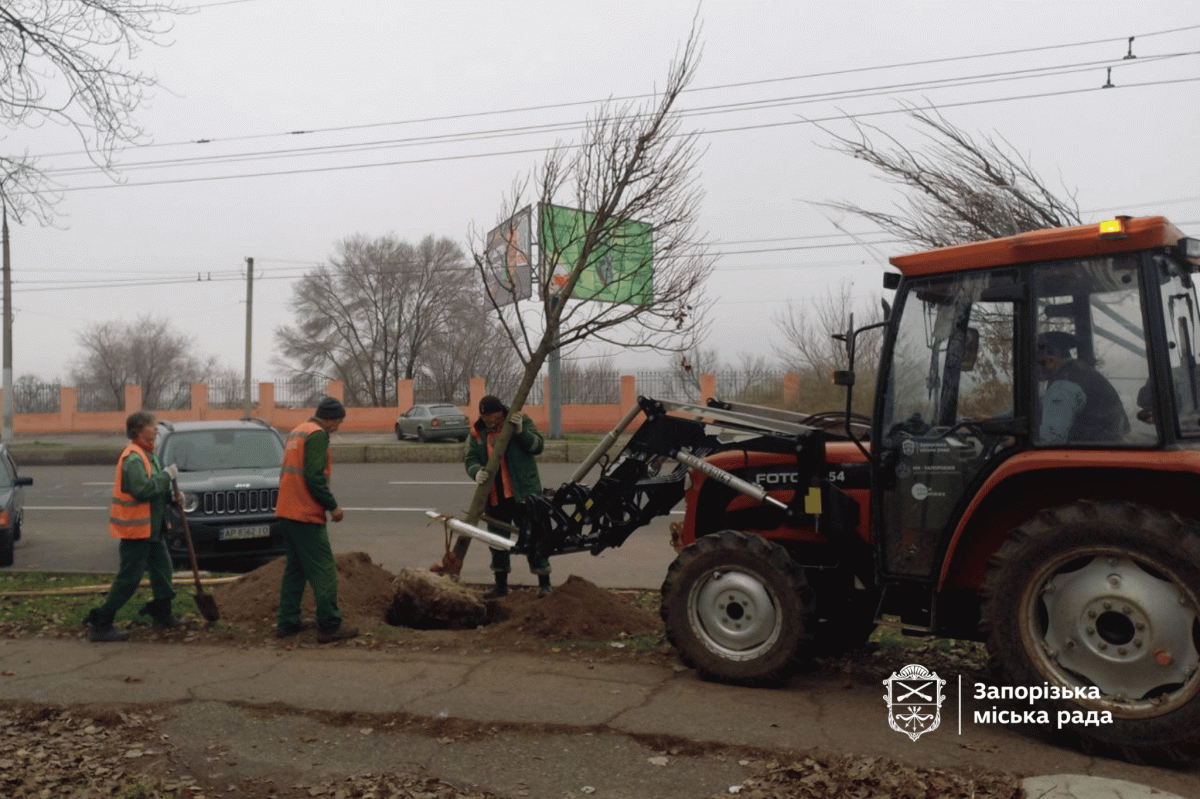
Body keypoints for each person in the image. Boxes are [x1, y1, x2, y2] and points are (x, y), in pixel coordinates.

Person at [85, 411, 185, 642]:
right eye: (152, 427)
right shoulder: (133, 458)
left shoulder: (149, 455)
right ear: (139, 431)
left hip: (153, 529)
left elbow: (156, 490)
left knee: (163, 572)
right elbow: (142, 490)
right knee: (129, 579)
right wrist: (166, 477)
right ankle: (101, 623)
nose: (156, 431)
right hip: (136, 531)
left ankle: (163, 613)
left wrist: (172, 497)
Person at [275, 396, 358, 642]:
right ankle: (330, 625)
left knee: (296, 569)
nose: (337, 428)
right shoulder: (317, 434)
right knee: (323, 569)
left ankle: (287, 623)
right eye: (338, 422)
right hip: (304, 513)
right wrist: (332, 506)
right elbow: (313, 476)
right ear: (329, 418)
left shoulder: (297, 431)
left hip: (286, 511)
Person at [464, 394, 552, 597]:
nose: (487, 419)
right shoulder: (478, 432)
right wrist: (476, 471)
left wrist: (521, 432)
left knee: (534, 537)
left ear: (500, 412)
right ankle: (501, 585)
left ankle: (544, 583)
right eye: (484, 416)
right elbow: (469, 459)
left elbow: (538, 447)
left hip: (523, 493)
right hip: (495, 496)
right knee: (496, 541)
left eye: (491, 415)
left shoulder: (518, 422)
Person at [1036, 331, 1130, 444]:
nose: (1035, 369)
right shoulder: (1077, 372)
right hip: (1106, 444)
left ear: (1050, 361)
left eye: (1038, 363)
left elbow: (1050, 439)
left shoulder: (1064, 386)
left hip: (1095, 450)